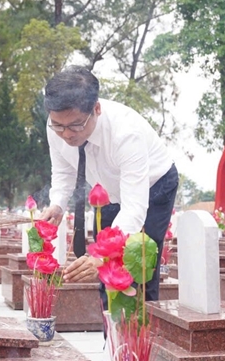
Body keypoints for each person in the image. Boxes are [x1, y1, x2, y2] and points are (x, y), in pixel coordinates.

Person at [37, 66, 178, 307]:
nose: (67, 134)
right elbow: (63, 169)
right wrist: (58, 203)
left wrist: (101, 255)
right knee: (106, 276)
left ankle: (141, 339)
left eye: (75, 125)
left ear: (96, 109)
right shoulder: (57, 127)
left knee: (138, 269)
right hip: (108, 194)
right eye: (59, 125)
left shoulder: (125, 133)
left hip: (154, 188)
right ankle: (113, 341)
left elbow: (134, 207)